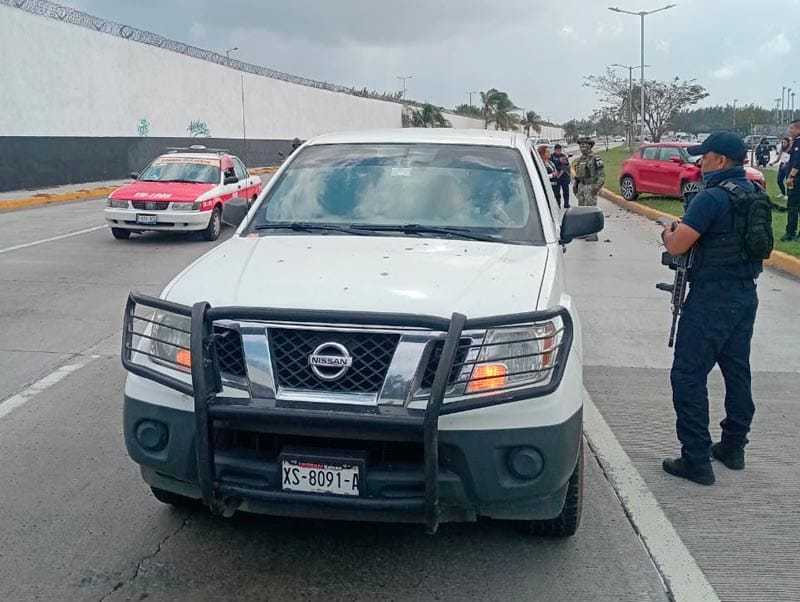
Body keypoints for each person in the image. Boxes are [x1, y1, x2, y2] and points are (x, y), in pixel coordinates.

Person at [660, 131, 764, 485]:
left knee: (687, 376)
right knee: (737, 371)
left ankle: (696, 459)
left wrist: (667, 232)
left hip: (710, 300)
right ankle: (733, 447)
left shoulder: (711, 197)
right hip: (745, 296)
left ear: (720, 160)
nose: (700, 162)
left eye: (704, 157)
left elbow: (678, 246)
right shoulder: (753, 192)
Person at [572, 137, 605, 241]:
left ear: (590, 146)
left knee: (591, 212)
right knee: (582, 211)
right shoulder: (580, 159)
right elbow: (578, 175)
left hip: (590, 186)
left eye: (584, 144)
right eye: (580, 145)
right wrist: (575, 185)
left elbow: (602, 175)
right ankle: (584, 232)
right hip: (581, 186)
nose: (582, 146)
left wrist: (596, 187)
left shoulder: (595, 158)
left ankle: (593, 234)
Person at [782, 120, 800, 241]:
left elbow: (798, 161)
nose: (790, 131)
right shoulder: (795, 142)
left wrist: (791, 176)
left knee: (793, 206)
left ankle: (790, 233)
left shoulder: (798, 143)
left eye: (792, 128)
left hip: (797, 180)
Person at [770, 136, 792, 200]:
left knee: (787, 181)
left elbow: (791, 159)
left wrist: (786, 164)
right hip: (782, 165)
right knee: (779, 180)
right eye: (782, 142)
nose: (783, 144)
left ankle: (788, 195)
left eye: (785, 142)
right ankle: (783, 193)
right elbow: (778, 159)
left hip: (788, 166)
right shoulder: (781, 150)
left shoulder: (790, 150)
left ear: (788, 143)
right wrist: (773, 163)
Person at [550, 144, 571, 208]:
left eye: (560, 150)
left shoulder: (563, 156)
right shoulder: (552, 156)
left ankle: (566, 204)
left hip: (564, 176)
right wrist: (559, 161)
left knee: (566, 191)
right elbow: (552, 164)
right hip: (556, 177)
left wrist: (565, 162)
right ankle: (558, 204)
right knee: (557, 192)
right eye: (558, 150)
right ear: (555, 150)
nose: (559, 151)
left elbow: (567, 165)